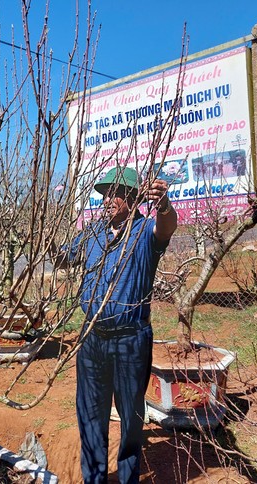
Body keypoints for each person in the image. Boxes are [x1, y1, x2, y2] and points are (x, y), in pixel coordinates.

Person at [62, 166, 177, 483]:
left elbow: (167, 227)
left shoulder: (145, 234)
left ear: (134, 198)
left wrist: (164, 205)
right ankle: (94, 478)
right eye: (105, 194)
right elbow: (62, 257)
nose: (108, 199)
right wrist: (38, 240)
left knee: (130, 419)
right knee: (89, 415)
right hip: (92, 339)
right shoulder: (92, 234)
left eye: (116, 193)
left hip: (130, 341)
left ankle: (128, 478)